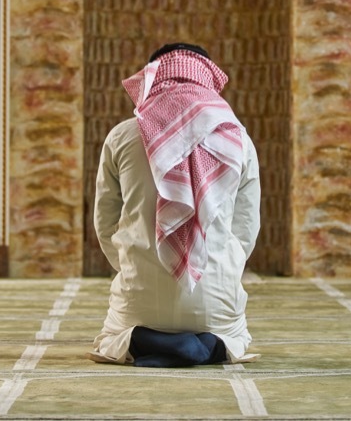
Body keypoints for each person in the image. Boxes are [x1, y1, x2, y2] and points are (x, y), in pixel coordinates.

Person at [88, 43, 261, 368]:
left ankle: (145, 340)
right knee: (234, 335)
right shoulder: (238, 139)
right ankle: (210, 344)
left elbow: (105, 224)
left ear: (151, 81)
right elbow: (246, 229)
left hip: (138, 301)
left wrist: (134, 263)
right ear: (207, 81)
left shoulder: (121, 137)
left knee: (114, 337)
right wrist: (221, 265)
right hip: (216, 306)